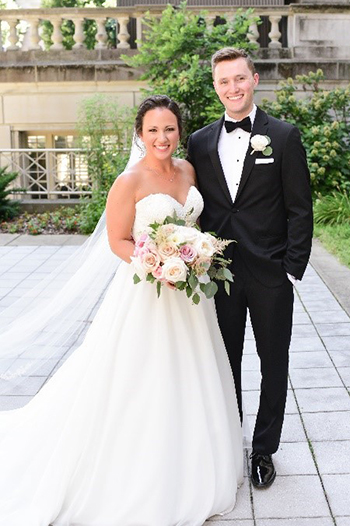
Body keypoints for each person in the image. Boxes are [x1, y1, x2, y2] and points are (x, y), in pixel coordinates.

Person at [0, 95, 243, 525]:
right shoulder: (128, 181)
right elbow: (118, 240)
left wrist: (195, 254)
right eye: (153, 130)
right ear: (140, 134)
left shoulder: (188, 170)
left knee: (193, 370)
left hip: (190, 295)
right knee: (141, 376)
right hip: (147, 291)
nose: (162, 137)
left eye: (169, 129)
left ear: (179, 132)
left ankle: (193, 456)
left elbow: (195, 227)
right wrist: (156, 264)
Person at [187, 48, 313, 489]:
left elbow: (300, 209)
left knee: (273, 362)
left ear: (254, 79)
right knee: (225, 363)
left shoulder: (283, 136)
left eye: (239, 79)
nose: (232, 88)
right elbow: (195, 208)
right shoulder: (200, 142)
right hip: (218, 275)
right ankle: (227, 443)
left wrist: (291, 268)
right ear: (216, 87)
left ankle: (263, 450)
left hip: (271, 273)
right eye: (224, 81)